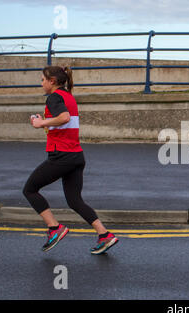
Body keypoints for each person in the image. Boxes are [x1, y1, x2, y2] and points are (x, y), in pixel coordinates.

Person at [23, 66, 118, 255]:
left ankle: (54, 228)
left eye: (42, 79)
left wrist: (41, 122)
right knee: (74, 200)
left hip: (62, 156)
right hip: (76, 156)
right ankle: (104, 235)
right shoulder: (68, 96)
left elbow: (64, 118)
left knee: (30, 189)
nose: (40, 83)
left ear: (52, 81)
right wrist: (44, 122)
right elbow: (62, 123)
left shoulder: (54, 97)